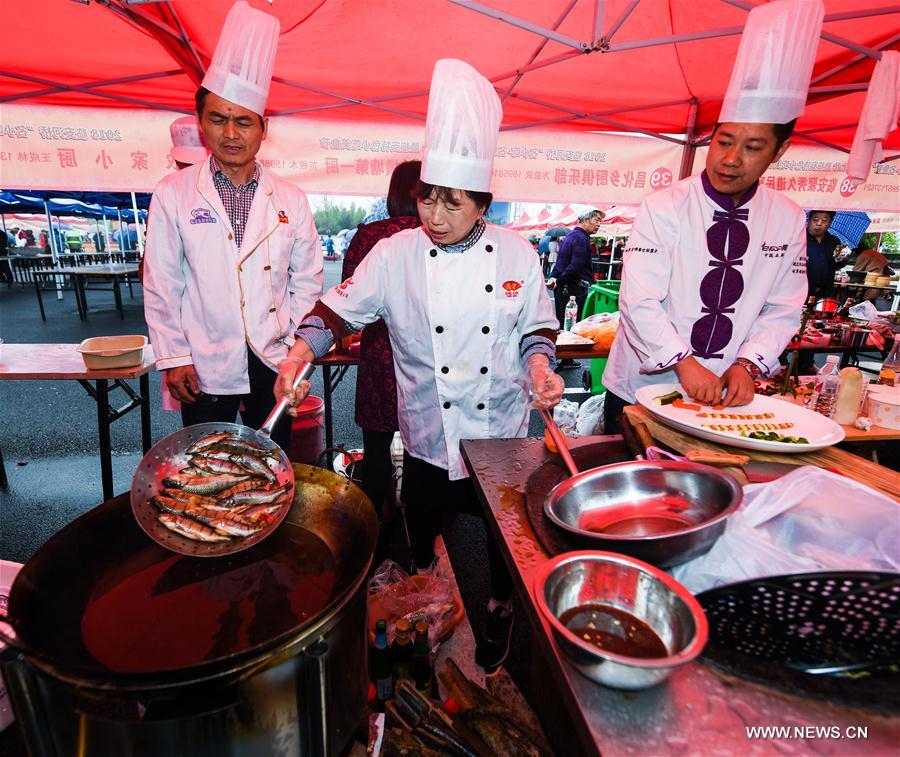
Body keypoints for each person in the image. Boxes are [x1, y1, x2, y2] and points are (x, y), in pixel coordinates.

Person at [275, 59, 563, 673]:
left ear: (482, 201)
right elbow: (338, 310)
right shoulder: (393, 254)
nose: (433, 213)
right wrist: (301, 351)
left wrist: (541, 370)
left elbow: (536, 329)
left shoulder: (517, 252)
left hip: (501, 435)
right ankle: (423, 637)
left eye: (450, 202)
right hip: (429, 436)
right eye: (427, 197)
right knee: (427, 530)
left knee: (498, 549)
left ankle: (497, 626)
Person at [603, 0, 819, 434]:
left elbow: (782, 307)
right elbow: (639, 301)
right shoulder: (664, 206)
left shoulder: (788, 218)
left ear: (779, 151)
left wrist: (748, 363)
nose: (731, 159)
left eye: (753, 147)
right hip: (644, 388)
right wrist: (684, 363)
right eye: (724, 141)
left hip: (725, 394)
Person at [143, 0, 322, 451]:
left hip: (274, 356)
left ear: (263, 129)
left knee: (271, 456)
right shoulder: (174, 192)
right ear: (202, 124)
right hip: (203, 360)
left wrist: (296, 352)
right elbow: (162, 282)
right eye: (218, 119)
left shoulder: (292, 200)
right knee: (204, 459)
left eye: (243, 122)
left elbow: (307, 283)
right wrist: (174, 356)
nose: (230, 133)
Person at [341, 160, 422, 530]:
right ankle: (424, 532)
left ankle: (374, 528)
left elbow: (346, 303)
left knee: (376, 451)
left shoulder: (367, 237)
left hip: (377, 355)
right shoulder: (438, 237)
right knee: (424, 453)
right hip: (426, 359)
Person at [547, 209, 604, 329]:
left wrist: (554, 277)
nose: (599, 224)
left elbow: (560, 262)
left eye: (600, 221)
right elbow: (575, 266)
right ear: (586, 220)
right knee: (571, 328)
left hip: (566, 288)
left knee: (564, 326)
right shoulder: (580, 238)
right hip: (572, 289)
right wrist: (558, 280)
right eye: (597, 220)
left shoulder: (571, 236)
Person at [806, 210, 840, 300]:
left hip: (825, 292)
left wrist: (842, 259)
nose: (819, 223)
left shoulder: (834, 241)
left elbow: (837, 264)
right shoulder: (799, 238)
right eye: (815, 219)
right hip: (802, 290)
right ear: (809, 220)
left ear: (830, 223)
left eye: (824, 220)